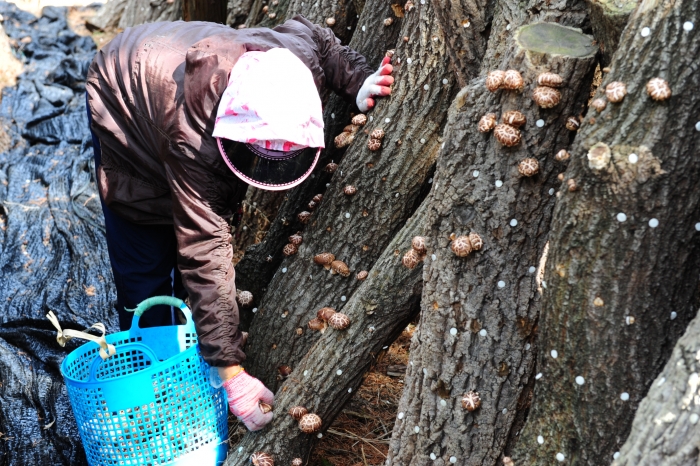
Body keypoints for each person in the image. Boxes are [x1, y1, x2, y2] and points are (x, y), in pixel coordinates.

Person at [85, 16, 393, 432]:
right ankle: (152, 384)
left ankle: (195, 343)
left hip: (182, 56)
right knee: (146, 240)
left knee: (193, 225)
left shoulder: (298, 61)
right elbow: (205, 248)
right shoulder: (190, 137)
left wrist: (358, 81)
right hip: (123, 84)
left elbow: (319, 37)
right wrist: (231, 374)